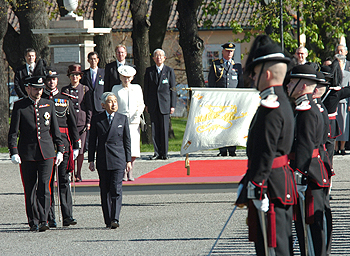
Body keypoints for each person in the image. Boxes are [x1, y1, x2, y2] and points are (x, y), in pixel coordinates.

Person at [235, 42, 297, 255]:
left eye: (255, 73)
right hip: (278, 184)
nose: (252, 78)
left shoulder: (271, 106)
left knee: (273, 249)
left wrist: (257, 184)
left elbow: (265, 152)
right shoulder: (281, 101)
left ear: (267, 74)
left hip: (270, 187)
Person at [8, 76, 64, 232]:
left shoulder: (49, 104)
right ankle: (33, 220)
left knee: (45, 187)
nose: (39, 91)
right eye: (35, 88)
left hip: (46, 153)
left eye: (40, 88)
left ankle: (44, 219)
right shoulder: (20, 106)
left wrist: (60, 149)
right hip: (27, 153)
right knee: (30, 188)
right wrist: (14, 151)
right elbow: (13, 132)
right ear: (28, 88)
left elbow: (55, 130)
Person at [286, 64, 330, 256]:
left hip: (308, 175)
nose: (288, 85)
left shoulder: (305, 110)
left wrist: (300, 174)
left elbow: (305, 145)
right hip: (314, 173)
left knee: (310, 229)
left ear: (303, 85)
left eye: (293, 81)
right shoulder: (312, 107)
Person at [42, 68, 81, 227]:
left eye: (54, 79)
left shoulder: (65, 99)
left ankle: (67, 216)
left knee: (64, 180)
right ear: (45, 81)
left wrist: (76, 144)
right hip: (47, 145)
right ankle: (50, 217)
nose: (52, 81)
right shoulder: (41, 98)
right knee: (49, 181)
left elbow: (73, 125)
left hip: (64, 144)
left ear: (58, 81)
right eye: (49, 79)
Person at [88, 92, 132, 229]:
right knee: (105, 190)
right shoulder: (97, 119)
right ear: (103, 105)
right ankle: (107, 220)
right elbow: (92, 141)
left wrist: (128, 160)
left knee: (116, 188)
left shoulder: (122, 118)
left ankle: (115, 218)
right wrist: (91, 160)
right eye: (110, 101)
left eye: (115, 101)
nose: (113, 104)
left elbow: (127, 141)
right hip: (103, 158)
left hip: (118, 158)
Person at [208, 42, 243, 156]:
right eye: (227, 51)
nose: (229, 53)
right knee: (221, 125)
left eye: (231, 51)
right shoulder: (216, 65)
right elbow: (211, 84)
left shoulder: (237, 67)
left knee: (232, 125)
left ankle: (232, 149)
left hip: (233, 101)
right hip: (220, 101)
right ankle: (222, 149)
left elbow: (240, 85)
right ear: (223, 51)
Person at [112, 65, 144, 181]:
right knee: (122, 147)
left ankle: (130, 171)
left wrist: (138, 113)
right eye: (124, 77)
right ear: (120, 77)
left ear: (132, 78)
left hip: (134, 122)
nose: (126, 80)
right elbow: (113, 104)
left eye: (128, 77)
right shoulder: (116, 88)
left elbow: (141, 104)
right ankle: (123, 172)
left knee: (134, 149)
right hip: (120, 121)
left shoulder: (137, 88)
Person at [143, 49, 177, 160]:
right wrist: (146, 104)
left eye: (161, 56)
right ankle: (157, 152)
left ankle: (165, 153)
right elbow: (146, 89)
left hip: (165, 104)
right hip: (153, 105)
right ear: (153, 58)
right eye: (156, 56)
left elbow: (173, 89)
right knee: (155, 129)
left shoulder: (169, 71)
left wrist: (173, 105)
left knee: (164, 129)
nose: (158, 58)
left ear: (164, 58)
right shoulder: (149, 71)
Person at [62, 64, 92, 182]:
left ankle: (78, 173)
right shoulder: (65, 90)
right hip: (69, 123)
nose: (75, 77)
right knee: (70, 149)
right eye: (72, 75)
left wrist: (88, 121)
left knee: (80, 150)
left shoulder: (85, 89)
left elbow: (89, 107)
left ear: (80, 77)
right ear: (69, 77)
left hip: (81, 123)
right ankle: (70, 171)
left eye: (77, 75)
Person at [334, 54, 350, 155]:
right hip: (335, 102)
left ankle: (342, 147)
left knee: (344, 125)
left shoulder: (348, 74)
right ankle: (335, 147)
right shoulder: (334, 73)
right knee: (336, 124)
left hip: (345, 101)